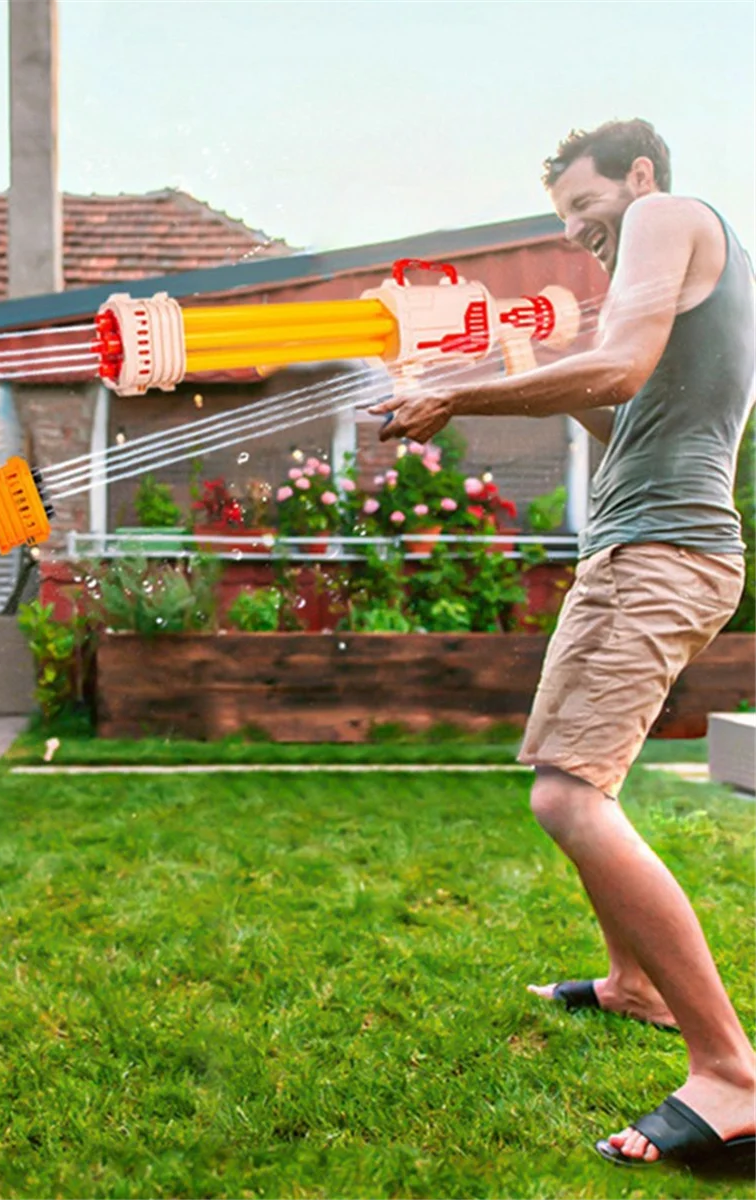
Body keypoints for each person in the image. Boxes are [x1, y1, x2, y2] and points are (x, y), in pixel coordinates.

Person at [371, 119, 756, 1174]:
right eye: (566, 221)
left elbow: (620, 367)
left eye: (587, 208)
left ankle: (732, 1074)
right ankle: (634, 985)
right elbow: (624, 416)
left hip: (659, 554)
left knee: (568, 799)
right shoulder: (686, 260)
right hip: (647, 547)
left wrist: (456, 392)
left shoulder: (668, 215)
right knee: (577, 776)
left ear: (640, 176)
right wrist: (525, 366)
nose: (580, 234)